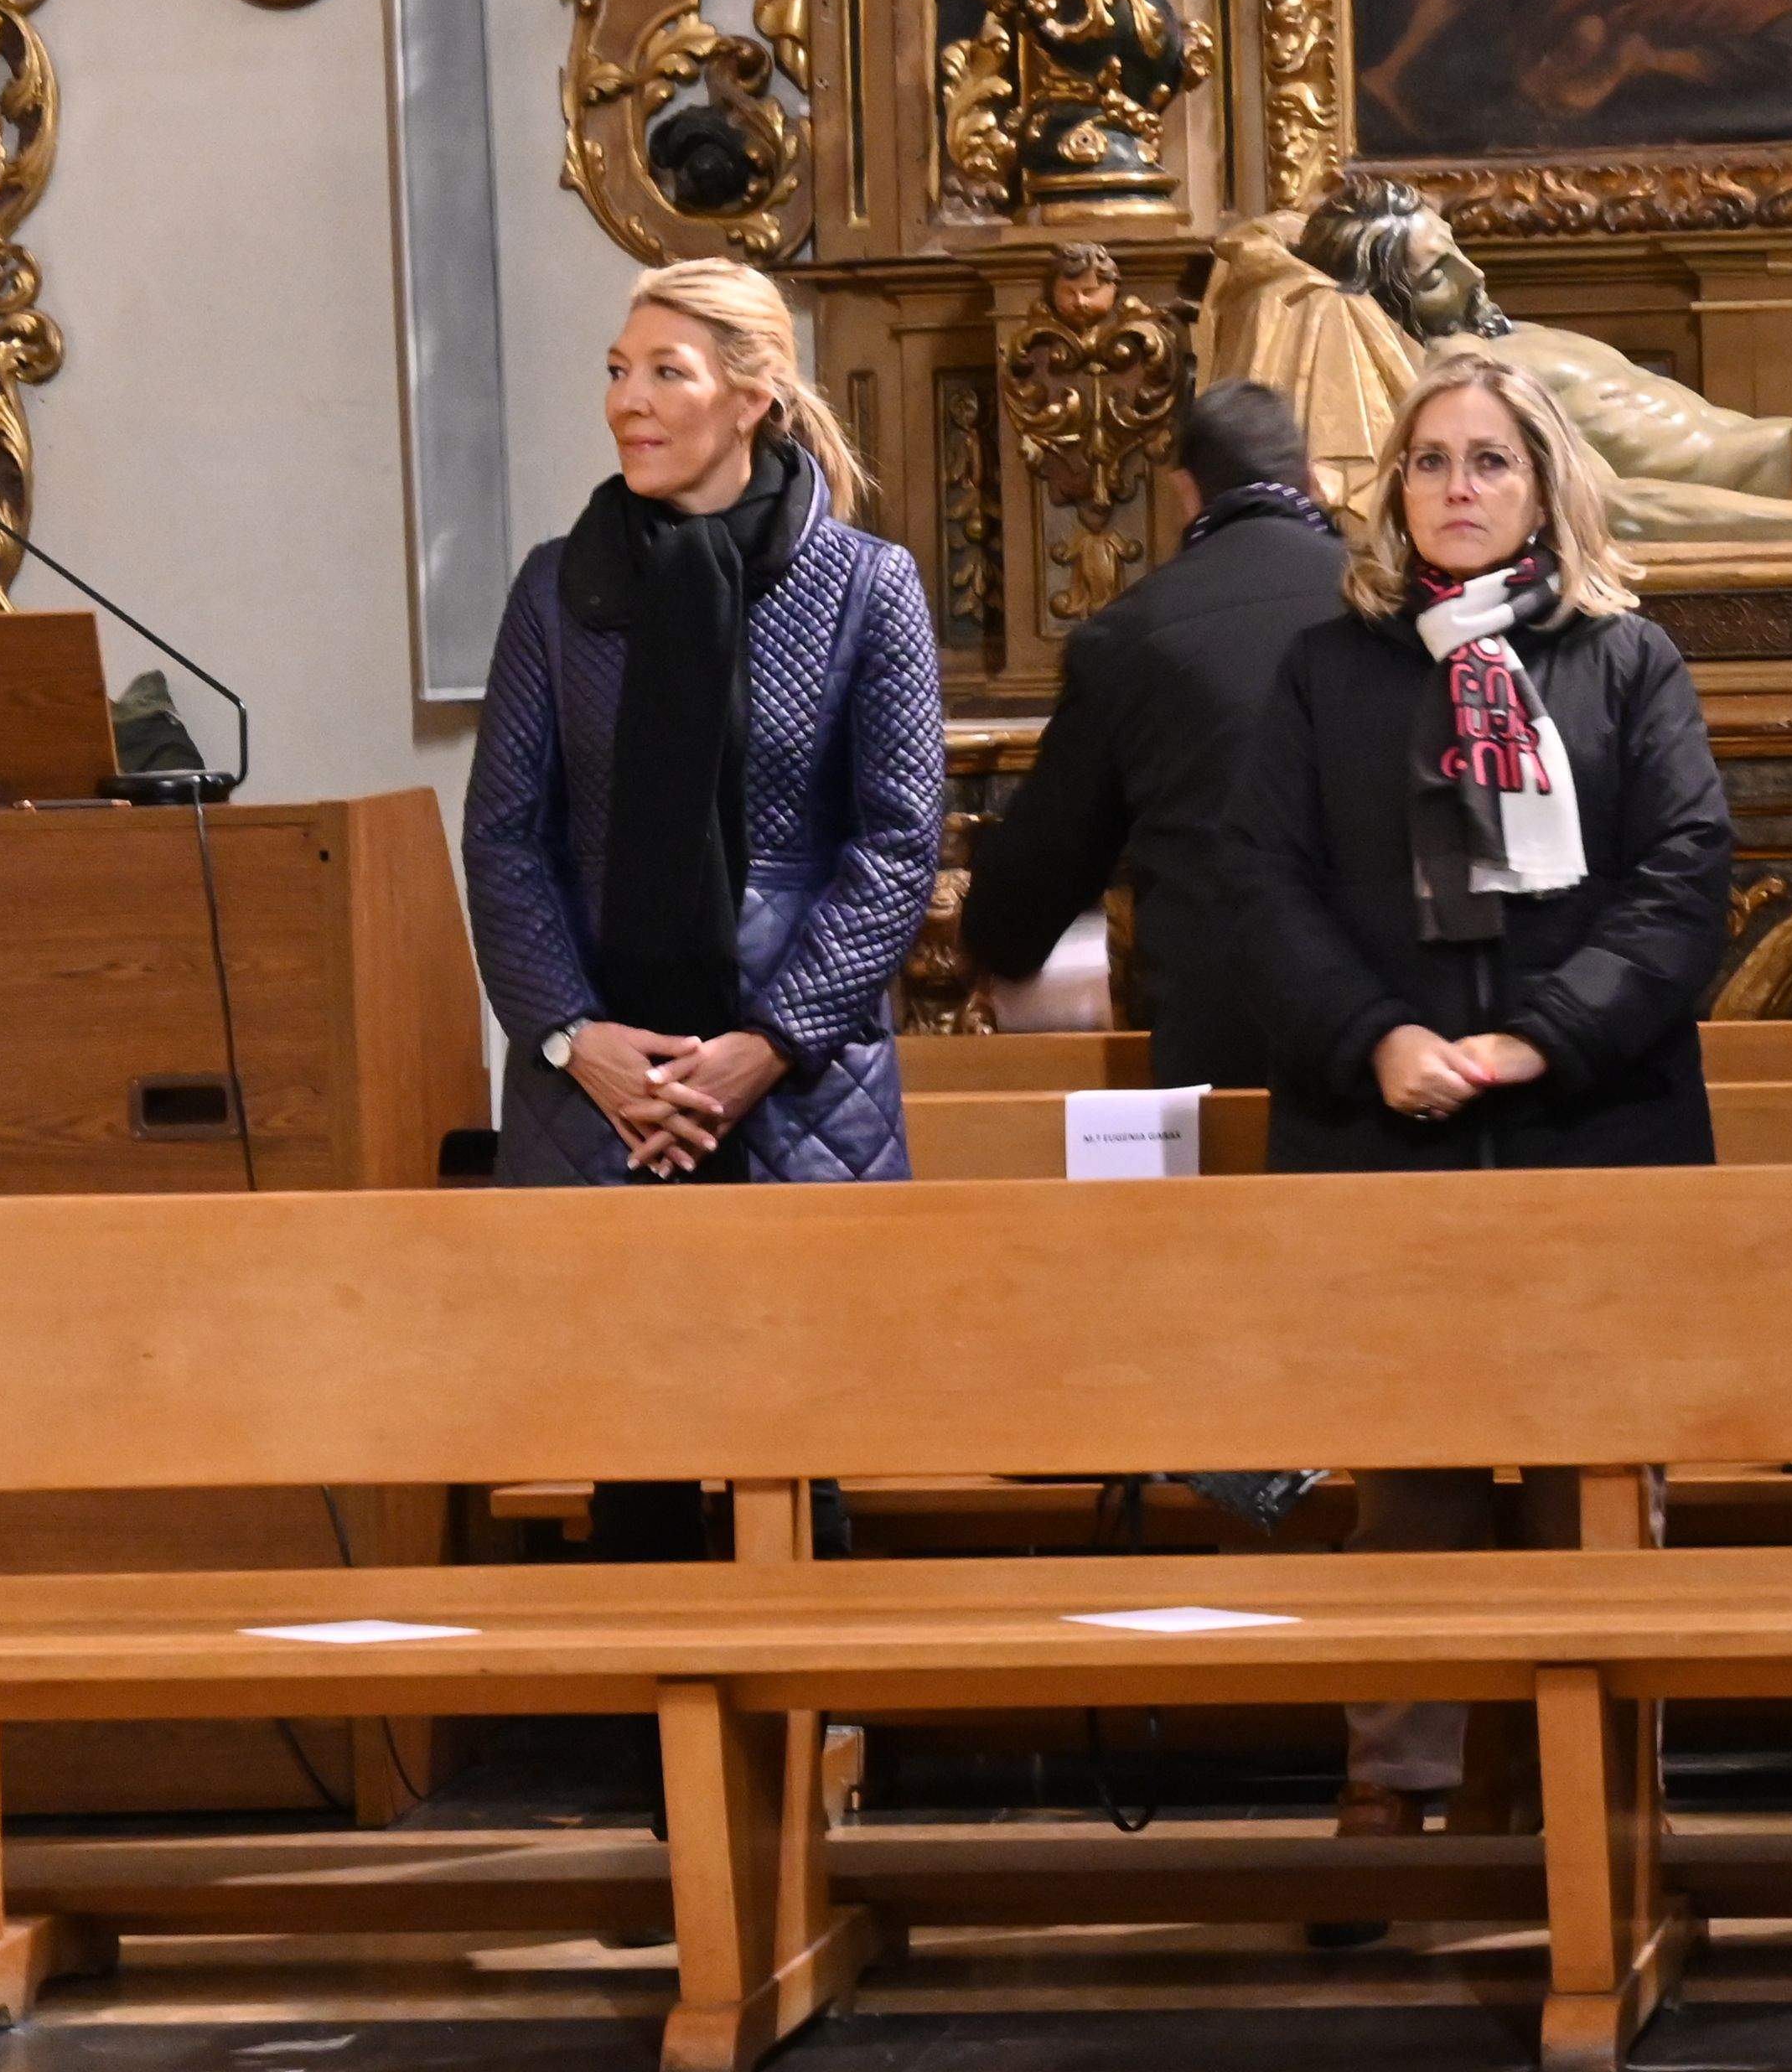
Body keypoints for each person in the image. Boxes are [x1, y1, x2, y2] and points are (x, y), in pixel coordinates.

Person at [1225, 343, 1734, 1862]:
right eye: (1432, 461)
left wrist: (1543, 1041)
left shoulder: (1626, 662)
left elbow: (1682, 881)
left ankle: (1600, 1783)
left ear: (1544, 485)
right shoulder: (1327, 670)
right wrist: (1376, 1035)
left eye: (1490, 460)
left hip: (1592, 1125)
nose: (1459, 487)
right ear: (1395, 491)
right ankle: (1403, 1776)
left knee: (1596, 1475)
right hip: (1386, 1126)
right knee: (1413, 1475)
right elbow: (1262, 884)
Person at [464, 257, 945, 1560]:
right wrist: (578, 1038)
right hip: (604, 1082)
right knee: (629, 1453)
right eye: (618, 371)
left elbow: (898, 844)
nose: (627, 400)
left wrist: (765, 1044)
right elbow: (505, 840)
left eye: (664, 373)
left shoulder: (865, 586)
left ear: (751, 396)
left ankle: (805, 1695)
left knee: (799, 1448)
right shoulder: (555, 589)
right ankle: (640, 1701)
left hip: (792, 1084)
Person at [962, 379, 1356, 1087]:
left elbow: (1028, 891)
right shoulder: (1389, 603)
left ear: (1184, 489)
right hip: (1393, 1049)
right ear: (1311, 479)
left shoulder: (1132, 635)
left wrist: (997, 938)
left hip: (1222, 1054)